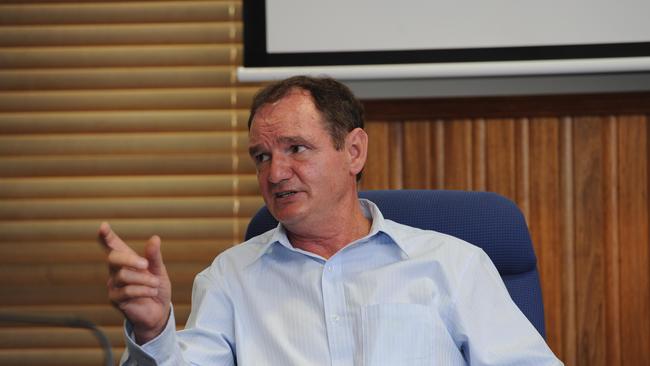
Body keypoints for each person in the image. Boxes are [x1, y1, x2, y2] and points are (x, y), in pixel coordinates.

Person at [99, 76, 563, 365]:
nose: (275, 173)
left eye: (295, 148)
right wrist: (153, 331)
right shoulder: (231, 277)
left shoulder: (452, 264)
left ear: (353, 151)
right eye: (261, 156)